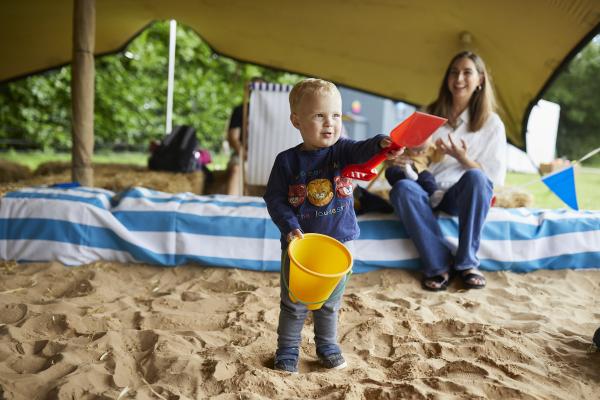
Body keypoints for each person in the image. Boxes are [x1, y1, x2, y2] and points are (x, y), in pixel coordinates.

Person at [263, 78, 400, 373]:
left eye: (336, 116)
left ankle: (326, 346)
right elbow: (275, 199)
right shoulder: (286, 162)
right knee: (295, 302)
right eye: (319, 115)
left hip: (340, 245)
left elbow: (364, 150)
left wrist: (380, 144)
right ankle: (287, 350)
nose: (330, 124)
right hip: (301, 246)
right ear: (296, 120)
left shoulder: (341, 151)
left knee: (329, 303)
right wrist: (289, 227)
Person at [387, 51, 506, 291]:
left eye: (467, 72)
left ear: (480, 80)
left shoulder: (491, 123)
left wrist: (462, 157)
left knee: (476, 177)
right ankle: (438, 266)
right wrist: (401, 160)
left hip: (457, 196)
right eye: (454, 72)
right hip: (424, 188)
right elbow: (408, 155)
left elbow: (492, 179)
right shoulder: (427, 114)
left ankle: (466, 264)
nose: (459, 78)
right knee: (401, 188)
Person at [226, 77, 265, 195]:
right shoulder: (240, 110)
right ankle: (228, 207)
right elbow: (233, 138)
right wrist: (243, 152)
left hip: (267, 157)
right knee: (236, 169)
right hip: (243, 155)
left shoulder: (275, 112)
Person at [385, 138, 446, 207]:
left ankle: (434, 193)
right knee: (390, 171)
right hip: (403, 169)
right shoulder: (402, 148)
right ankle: (408, 175)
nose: (419, 153)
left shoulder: (431, 147)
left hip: (420, 170)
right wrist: (394, 159)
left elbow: (437, 158)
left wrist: (441, 151)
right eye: (416, 151)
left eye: (423, 151)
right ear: (408, 146)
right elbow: (391, 157)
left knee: (428, 177)